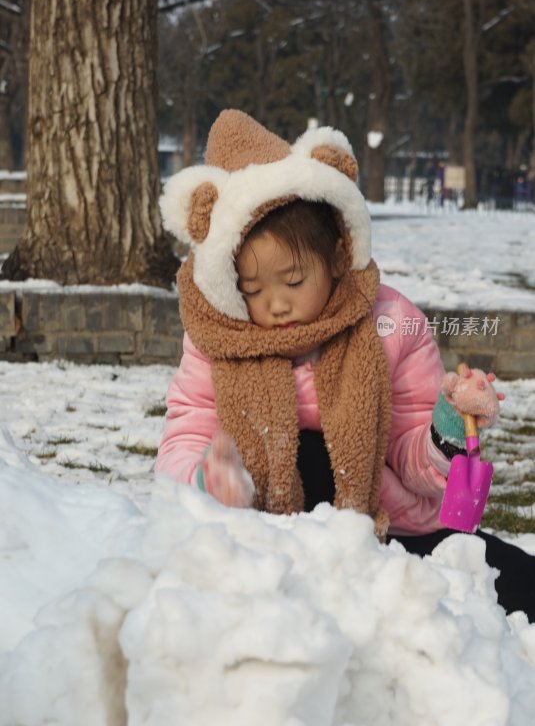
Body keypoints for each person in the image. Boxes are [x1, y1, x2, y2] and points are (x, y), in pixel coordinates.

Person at [157, 109, 535, 621]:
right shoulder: (219, 340)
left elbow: (409, 456)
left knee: (503, 583)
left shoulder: (389, 325)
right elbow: (184, 438)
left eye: (293, 281)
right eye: (252, 289)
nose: (276, 305)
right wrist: (208, 483)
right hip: (267, 542)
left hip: (390, 532)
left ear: (337, 256)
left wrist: (447, 427)